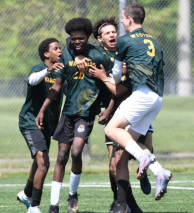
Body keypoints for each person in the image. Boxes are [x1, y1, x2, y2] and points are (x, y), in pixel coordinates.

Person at [89, 4, 172, 211]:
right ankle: (159, 171)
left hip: (141, 95)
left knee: (111, 129)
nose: (122, 23)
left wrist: (108, 75)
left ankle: (144, 159)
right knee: (126, 151)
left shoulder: (124, 41)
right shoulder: (154, 41)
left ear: (128, 18)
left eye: (123, 19)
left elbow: (116, 78)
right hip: (157, 98)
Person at [35, 18, 112, 213]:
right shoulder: (66, 56)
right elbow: (57, 86)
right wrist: (43, 109)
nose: (77, 41)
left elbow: (110, 82)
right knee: (61, 155)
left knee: (76, 151)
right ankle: (53, 205)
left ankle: (72, 194)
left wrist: (109, 108)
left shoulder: (98, 55)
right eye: (74, 38)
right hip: (68, 112)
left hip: (86, 114)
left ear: (88, 38)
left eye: (81, 38)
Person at [77, 16, 152, 213]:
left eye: (114, 32)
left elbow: (121, 88)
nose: (112, 35)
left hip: (135, 108)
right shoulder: (98, 55)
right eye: (107, 33)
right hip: (115, 113)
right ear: (99, 38)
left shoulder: (126, 51)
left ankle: (143, 174)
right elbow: (74, 43)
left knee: (147, 147)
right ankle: (126, 203)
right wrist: (79, 58)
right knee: (114, 165)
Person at [17, 38, 64, 213]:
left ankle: (26, 194)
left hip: (46, 124)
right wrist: (48, 70)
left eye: (60, 48)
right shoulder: (39, 69)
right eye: (56, 48)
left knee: (39, 162)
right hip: (30, 121)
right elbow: (32, 80)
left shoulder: (61, 72)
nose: (60, 51)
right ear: (46, 53)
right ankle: (34, 207)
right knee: (44, 163)